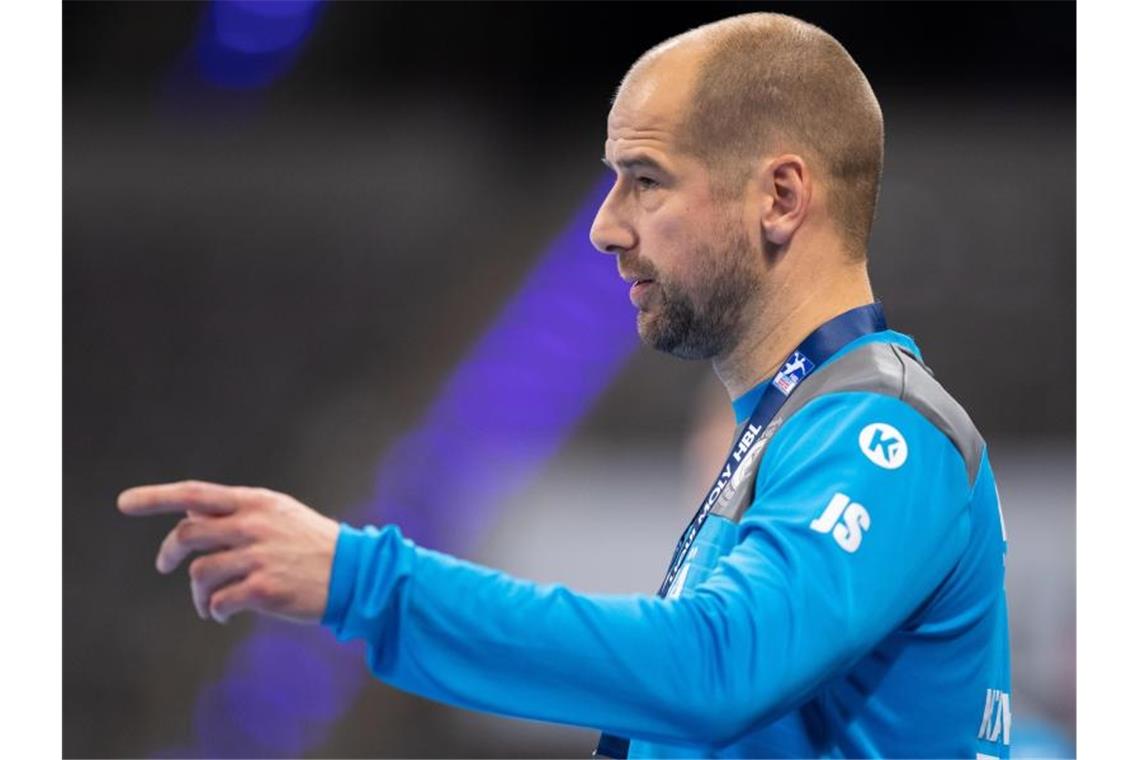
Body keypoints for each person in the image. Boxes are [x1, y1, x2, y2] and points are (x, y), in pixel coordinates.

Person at [118, 12, 1011, 758]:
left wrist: (367, 581)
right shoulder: (786, 434)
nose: (603, 228)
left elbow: (714, 669)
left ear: (780, 198)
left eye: (644, 180)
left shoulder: (881, 429)